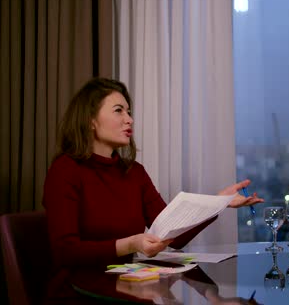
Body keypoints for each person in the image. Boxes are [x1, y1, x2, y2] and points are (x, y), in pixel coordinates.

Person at [43, 77, 263, 302]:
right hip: (77, 293)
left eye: (129, 112)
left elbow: (173, 236)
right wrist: (129, 244)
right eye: (119, 111)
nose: (129, 119)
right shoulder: (65, 170)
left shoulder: (134, 172)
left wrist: (218, 203)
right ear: (90, 120)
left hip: (126, 288)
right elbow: (65, 251)